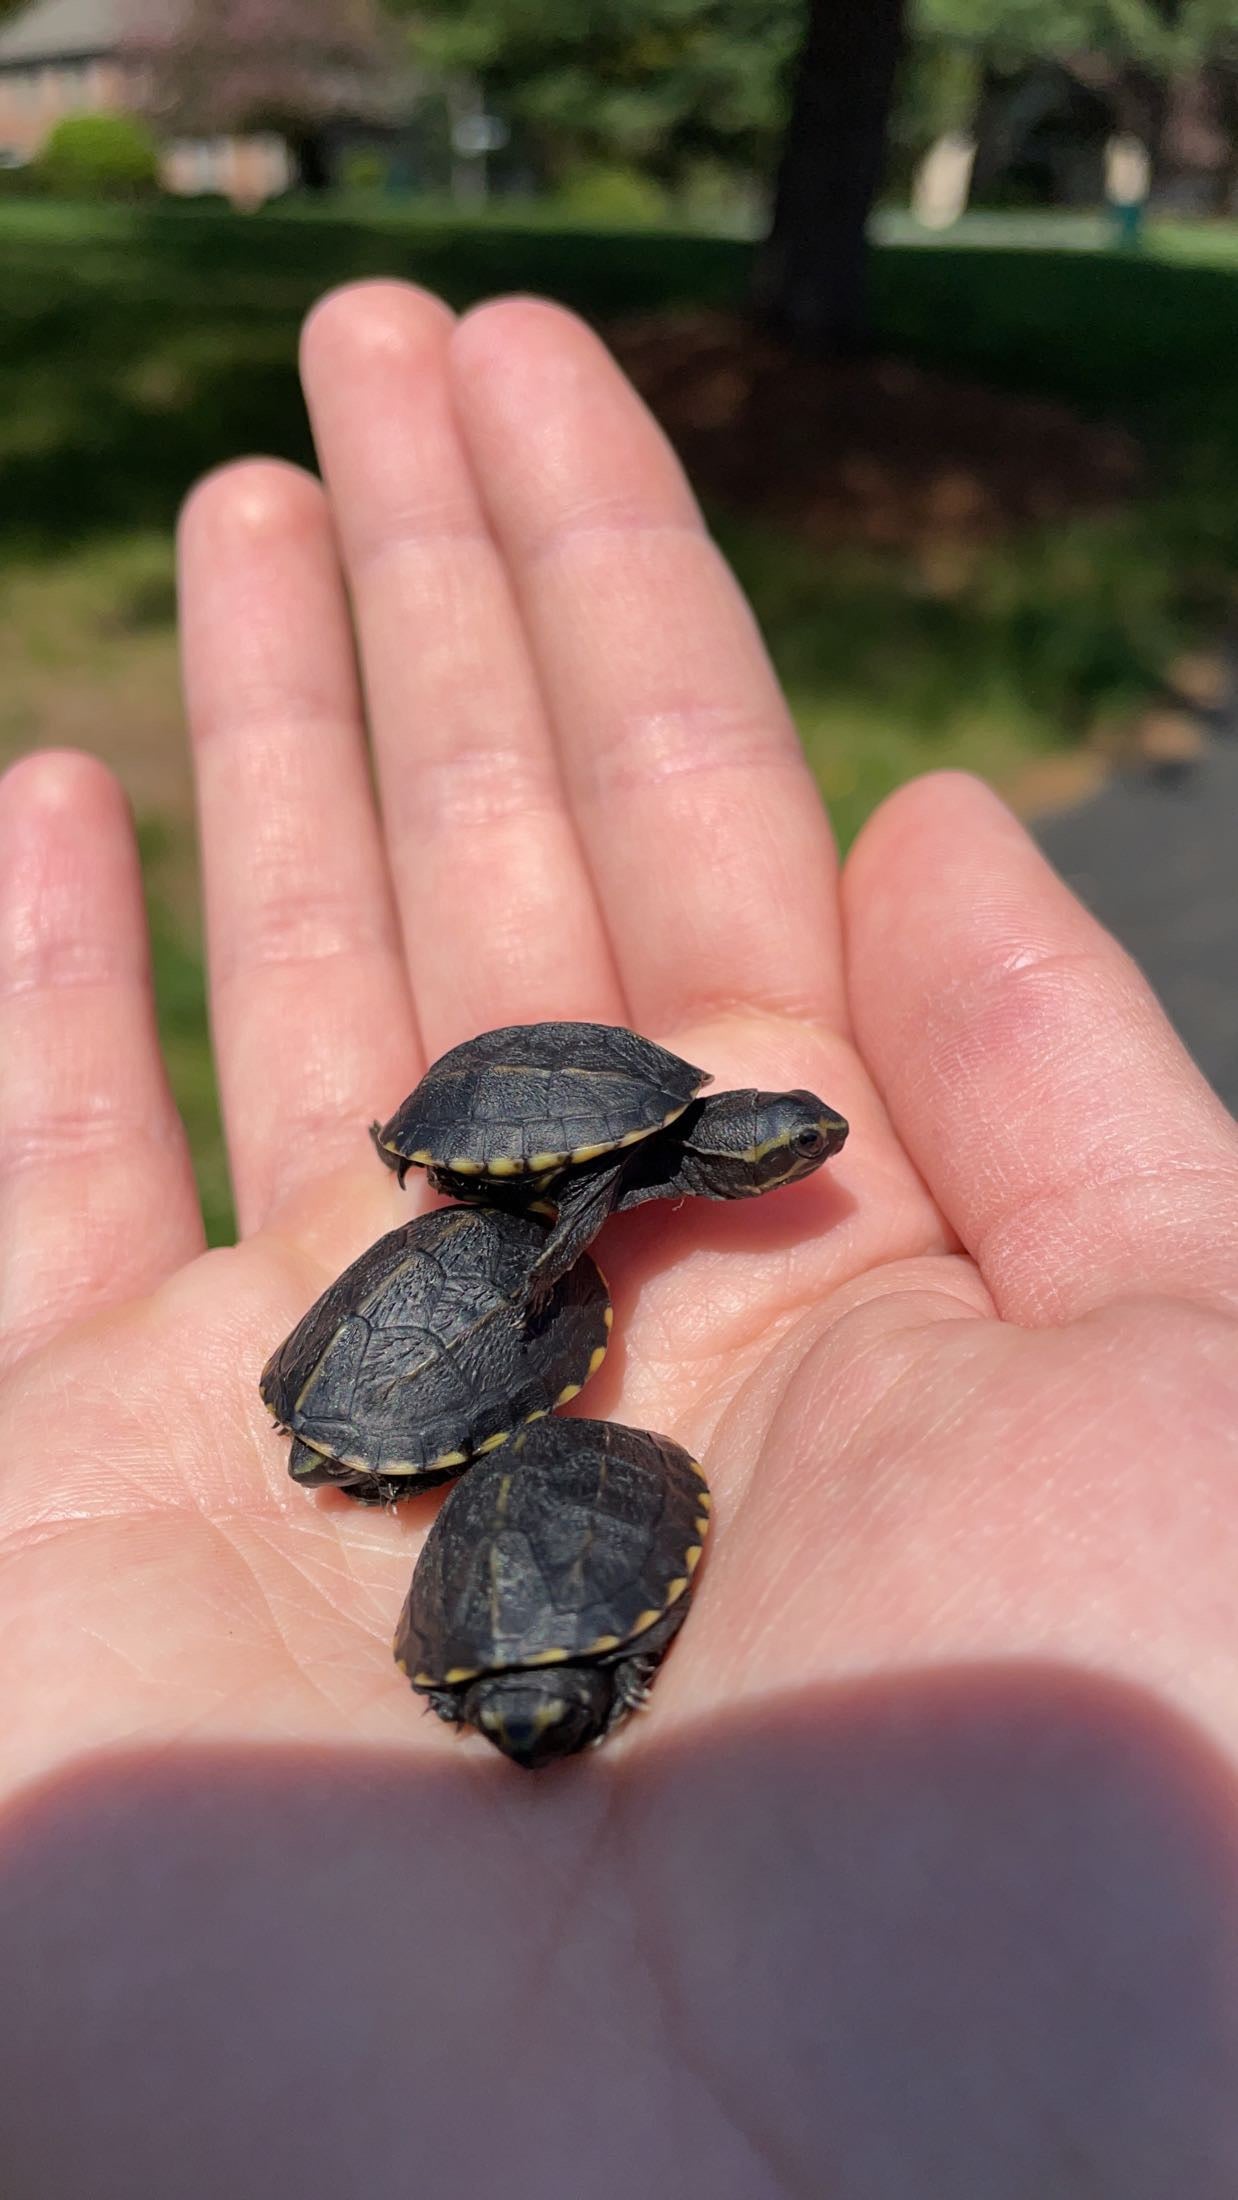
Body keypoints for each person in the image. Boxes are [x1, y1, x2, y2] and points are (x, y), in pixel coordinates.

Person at [1, 283, 1237, 2197]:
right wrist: (556, 1241)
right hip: (476, 1186)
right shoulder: (621, 1162)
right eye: (779, 1151)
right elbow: (565, 1209)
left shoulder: (642, 1165)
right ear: (717, 1159)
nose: (796, 1155)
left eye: (779, 1151)